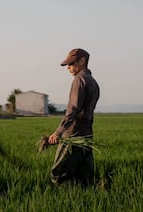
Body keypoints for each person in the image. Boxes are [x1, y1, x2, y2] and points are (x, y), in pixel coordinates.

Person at [48, 48, 100, 186]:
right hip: (87, 135)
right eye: (67, 65)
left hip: (73, 135)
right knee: (85, 177)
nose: (69, 68)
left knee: (58, 173)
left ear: (82, 61)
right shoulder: (93, 82)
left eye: (71, 64)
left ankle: (67, 201)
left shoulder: (79, 79)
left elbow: (72, 110)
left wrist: (58, 132)